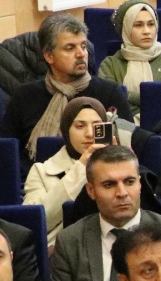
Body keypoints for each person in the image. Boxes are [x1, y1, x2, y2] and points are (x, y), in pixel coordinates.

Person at [52, 146, 161, 281]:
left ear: (140, 184)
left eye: (129, 182)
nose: (122, 193)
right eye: (109, 184)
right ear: (91, 190)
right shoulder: (69, 240)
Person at [0, 13, 130, 162]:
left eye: (83, 46)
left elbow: (128, 147)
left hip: (94, 172)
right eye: (70, 48)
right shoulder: (25, 96)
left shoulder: (109, 92)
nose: (81, 54)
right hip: (37, 173)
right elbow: (7, 153)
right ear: (49, 56)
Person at [25, 97, 114, 249]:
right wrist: (81, 167)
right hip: (62, 250)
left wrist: (117, 164)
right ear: (66, 130)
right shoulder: (41, 171)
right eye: (80, 126)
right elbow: (32, 224)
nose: (89, 133)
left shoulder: (119, 166)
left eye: (97, 126)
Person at [97, 0, 161, 116]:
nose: (146, 31)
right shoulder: (110, 65)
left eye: (151, 24)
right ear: (126, 29)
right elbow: (111, 103)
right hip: (125, 124)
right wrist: (158, 92)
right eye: (138, 25)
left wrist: (127, 95)